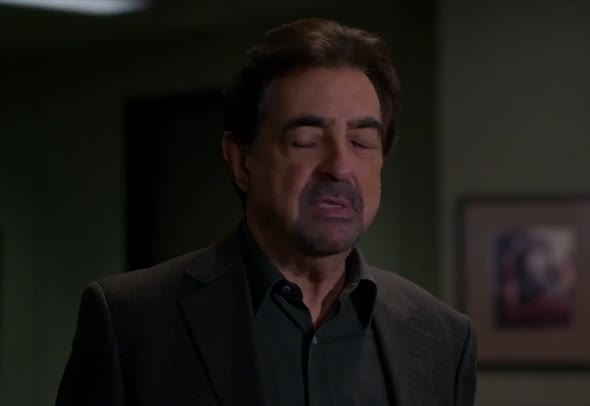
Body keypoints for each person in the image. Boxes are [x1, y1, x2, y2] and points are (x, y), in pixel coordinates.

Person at [56, 18, 477, 406]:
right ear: (242, 161)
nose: (339, 166)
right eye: (307, 141)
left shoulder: (442, 337)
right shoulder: (131, 321)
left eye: (362, 143)